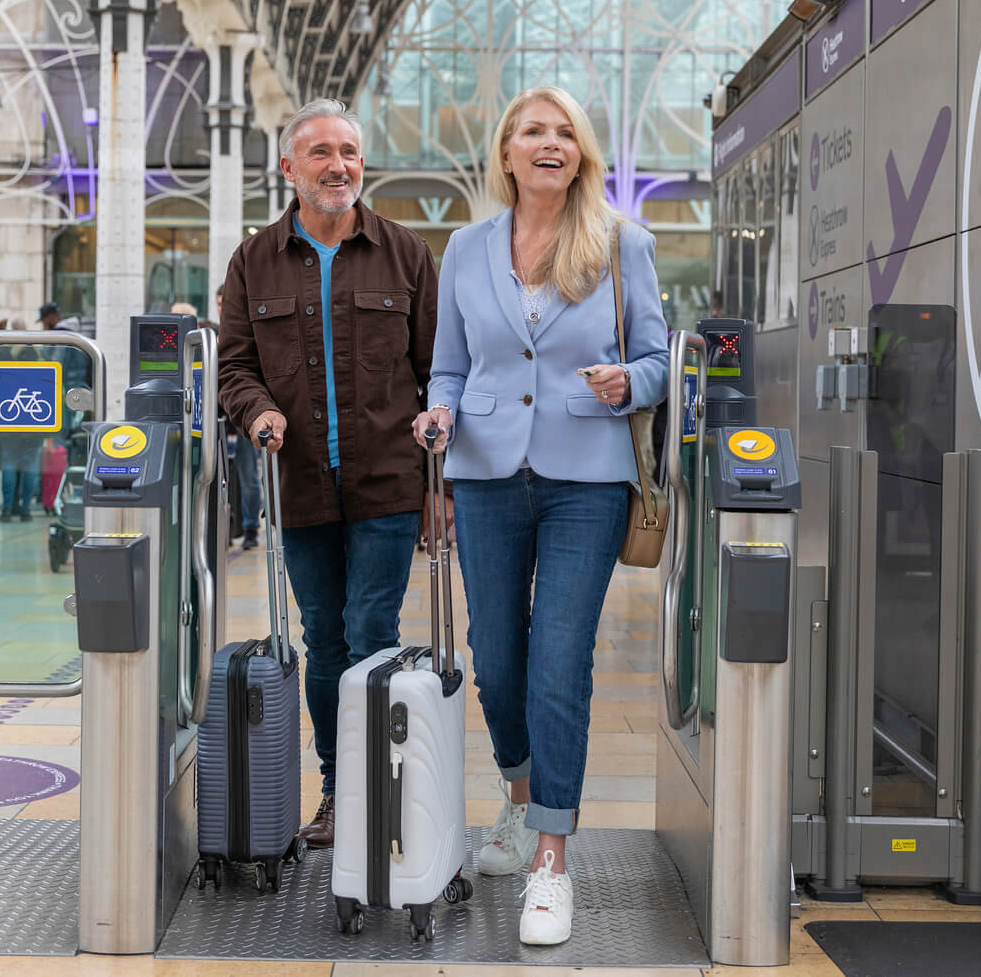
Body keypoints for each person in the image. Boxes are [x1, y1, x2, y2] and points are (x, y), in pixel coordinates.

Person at [414, 85, 668, 946]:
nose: (549, 143)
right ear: (508, 152)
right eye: (533, 131)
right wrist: (439, 414)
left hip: (585, 480)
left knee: (559, 658)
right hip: (485, 472)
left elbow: (662, 361)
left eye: (565, 133)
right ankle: (519, 802)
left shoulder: (622, 245)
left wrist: (629, 382)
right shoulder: (464, 248)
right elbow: (449, 366)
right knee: (495, 658)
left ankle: (552, 858)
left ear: (582, 154)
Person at [218, 98, 438, 850]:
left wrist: (439, 490)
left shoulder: (405, 253)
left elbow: (438, 370)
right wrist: (256, 415)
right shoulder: (252, 262)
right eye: (321, 153)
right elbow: (235, 368)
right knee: (323, 638)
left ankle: (382, 788)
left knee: (371, 631)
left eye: (349, 151)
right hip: (301, 485)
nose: (339, 165)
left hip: (387, 483)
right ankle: (341, 789)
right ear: (289, 169)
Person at [216, 284, 263, 550]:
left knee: (248, 475)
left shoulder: (247, 333)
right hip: (219, 415)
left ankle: (249, 528)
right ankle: (224, 527)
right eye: (219, 303)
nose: (222, 308)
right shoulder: (211, 335)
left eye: (226, 302)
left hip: (246, 413)